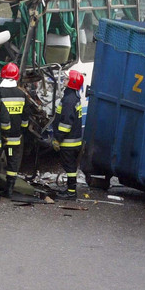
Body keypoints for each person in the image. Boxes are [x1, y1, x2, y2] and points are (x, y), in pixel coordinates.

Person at [0, 63, 30, 197]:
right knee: (12, 163)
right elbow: (26, 116)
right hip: (15, 139)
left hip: (0, 138)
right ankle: (9, 190)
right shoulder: (21, 94)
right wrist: (22, 130)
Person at [52, 70, 84, 199]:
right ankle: (70, 190)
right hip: (74, 140)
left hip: (68, 142)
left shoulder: (68, 100)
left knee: (70, 167)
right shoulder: (73, 98)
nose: (64, 80)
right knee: (70, 166)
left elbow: (66, 123)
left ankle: (71, 192)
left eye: (66, 79)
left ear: (71, 83)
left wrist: (57, 139)